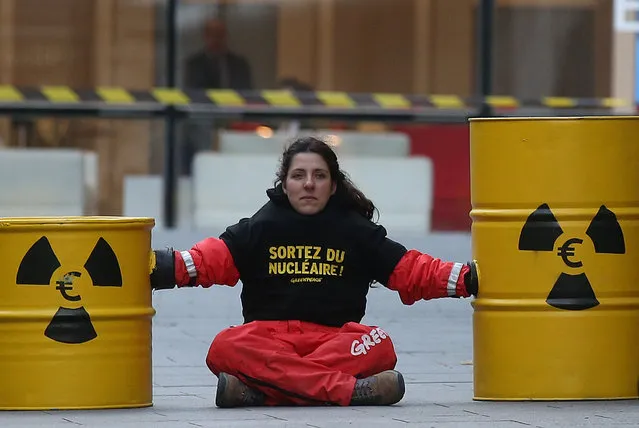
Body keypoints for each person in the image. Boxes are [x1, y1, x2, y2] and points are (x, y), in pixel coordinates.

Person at [150, 136, 478, 408]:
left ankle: (264, 393)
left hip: (336, 340)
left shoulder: (356, 231)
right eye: (299, 176)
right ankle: (348, 391)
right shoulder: (261, 227)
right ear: (285, 183)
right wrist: (161, 266)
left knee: (380, 345)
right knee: (224, 347)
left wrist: (466, 278)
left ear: (333, 186)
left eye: (319, 176)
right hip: (269, 338)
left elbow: (411, 270)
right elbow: (207, 260)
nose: (309, 184)